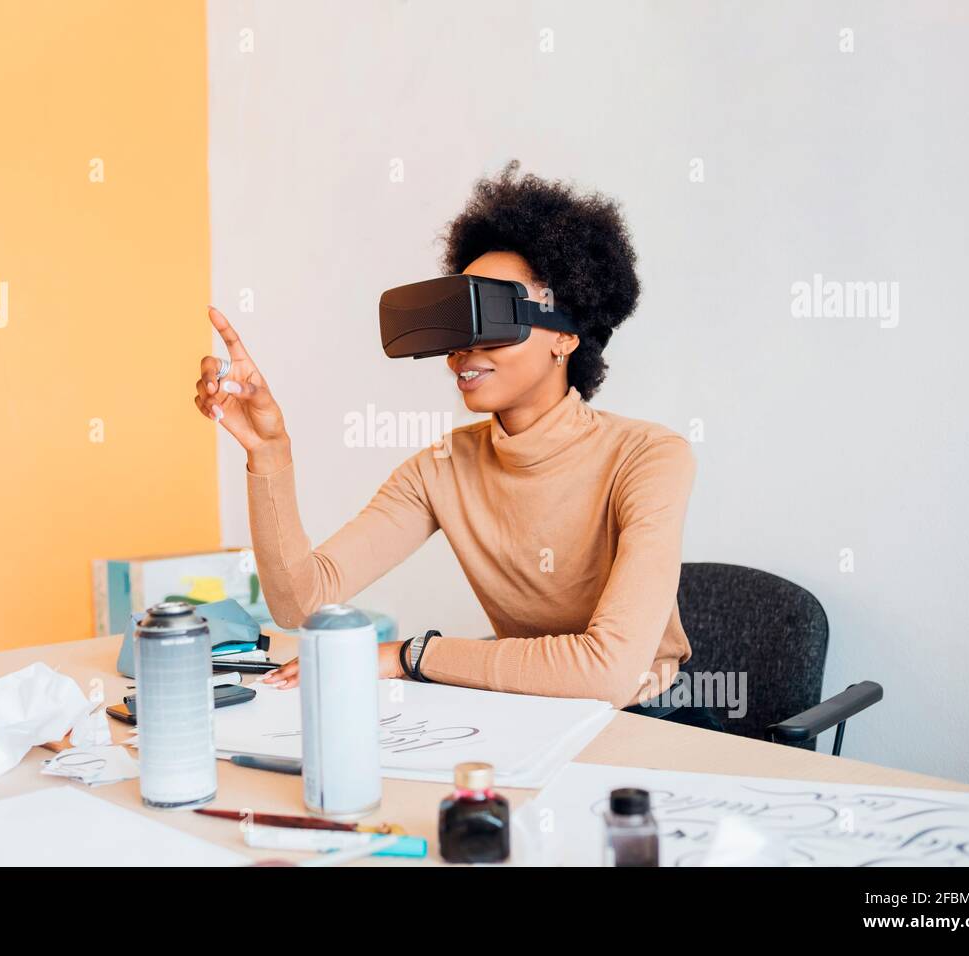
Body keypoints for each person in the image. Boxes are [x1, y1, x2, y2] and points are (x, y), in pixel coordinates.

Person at [193, 162, 713, 724]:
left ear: (565, 334)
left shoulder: (649, 457)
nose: (464, 350)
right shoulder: (442, 468)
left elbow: (608, 672)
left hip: (649, 721)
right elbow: (300, 600)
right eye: (456, 326)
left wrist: (409, 656)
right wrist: (269, 454)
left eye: (491, 315)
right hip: (526, 713)